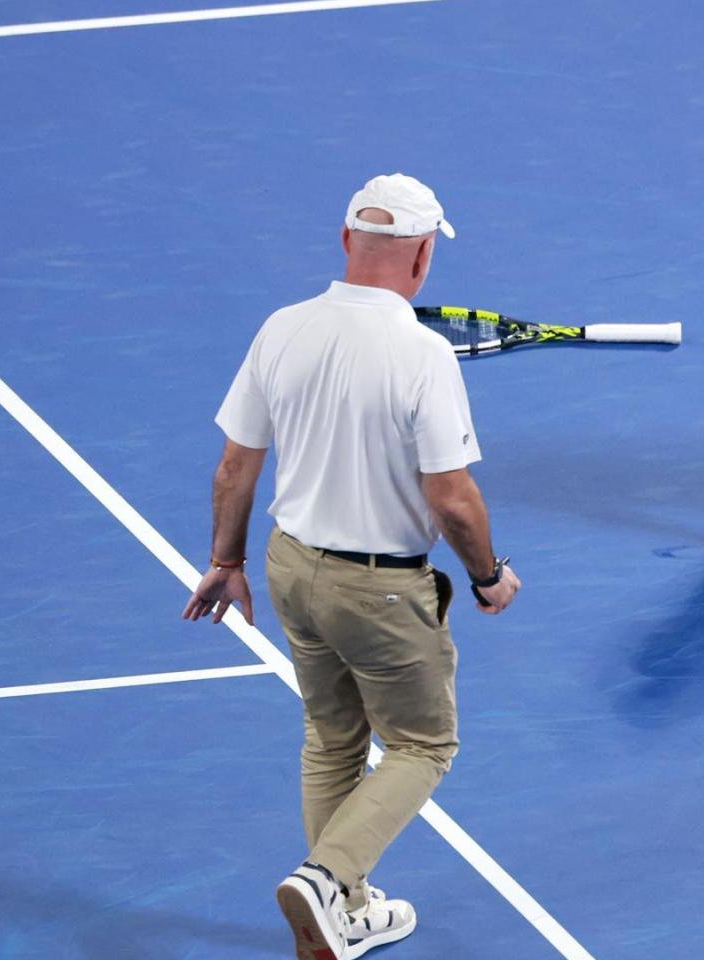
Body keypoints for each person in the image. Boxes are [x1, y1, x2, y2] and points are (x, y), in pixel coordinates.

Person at [181, 173, 521, 959]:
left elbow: (235, 467)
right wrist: (486, 576)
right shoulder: (424, 354)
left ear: (345, 242)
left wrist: (226, 561)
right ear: (424, 257)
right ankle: (329, 877)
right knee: (423, 745)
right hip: (378, 591)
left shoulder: (282, 328)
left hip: (291, 570)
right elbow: (454, 499)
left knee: (332, 737)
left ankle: (347, 913)